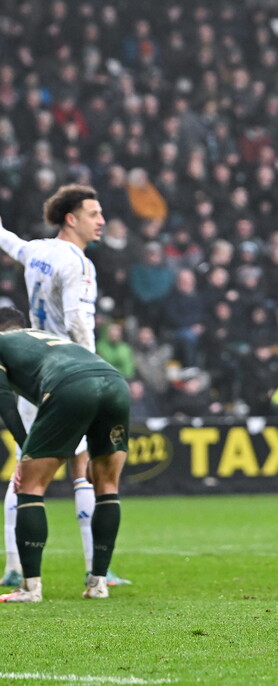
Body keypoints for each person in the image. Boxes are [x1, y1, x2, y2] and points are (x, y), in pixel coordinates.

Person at [0, 184, 129, 588]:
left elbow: (8, 241)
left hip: (31, 375)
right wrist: (91, 364)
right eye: (94, 213)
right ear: (71, 218)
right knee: (84, 472)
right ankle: (98, 568)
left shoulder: (37, 251)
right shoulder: (78, 264)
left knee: (24, 471)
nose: (102, 220)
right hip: (70, 377)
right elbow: (78, 321)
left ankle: (14, 565)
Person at [0, 307, 129, 602]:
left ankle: (30, 588)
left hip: (70, 387)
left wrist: (25, 451)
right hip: (114, 382)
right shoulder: (44, 338)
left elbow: (4, 400)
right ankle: (98, 584)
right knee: (107, 487)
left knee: (29, 487)